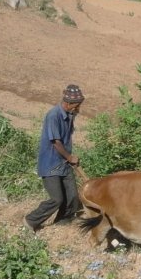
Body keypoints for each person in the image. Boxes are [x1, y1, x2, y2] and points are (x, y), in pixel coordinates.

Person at [24, 84, 85, 232]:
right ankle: (31, 221)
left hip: (63, 163)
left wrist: (69, 159)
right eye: (76, 106)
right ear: (68, 103)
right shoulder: (53, 115)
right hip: (50, 164)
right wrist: (70, 157)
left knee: (73, 197)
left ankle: (63, 221)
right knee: (57, 199)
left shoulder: (69, 116)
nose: (77, 109)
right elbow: (56, 142)